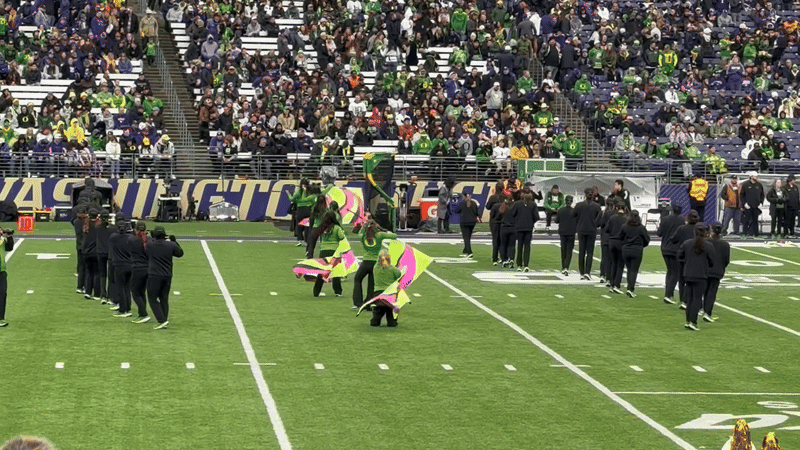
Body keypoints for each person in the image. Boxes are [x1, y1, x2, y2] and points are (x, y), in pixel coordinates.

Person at [352, 219, 396, 310]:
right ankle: (368, 304)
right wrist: (384, 231)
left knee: (357, 280)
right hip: (376, 263)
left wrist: (364, 226)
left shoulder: (363, 236)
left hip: (365, 263)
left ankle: (358, 303)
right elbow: (394, 236)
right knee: (371, 285)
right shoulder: (379, 235)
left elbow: (359, 232)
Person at [677, 224, 715, 331]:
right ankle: (693, 322)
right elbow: (712, 262)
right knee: (697, 299)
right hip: (701, 275)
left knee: (689, 298)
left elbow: (679, 256)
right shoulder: (708, 245)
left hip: (688, 274)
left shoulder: (687, 243)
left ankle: (688, 320)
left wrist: (687, 262)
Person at [146, 226, 184, 330]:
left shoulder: (150, 244)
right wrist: (175, 242)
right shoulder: (170, 245)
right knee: (164, 298)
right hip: (167, 275)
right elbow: (180, 254)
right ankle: (164, 319)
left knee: (152, 298)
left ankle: (161, 320)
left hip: (154, 275)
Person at [670, 210, 701, 310]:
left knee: (682, 279)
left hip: (683, 256)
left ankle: (683, 299)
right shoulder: (699, 229)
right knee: (694, 280)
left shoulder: (681, 228)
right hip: (696, 257)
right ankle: (693, 299)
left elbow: (673, 239)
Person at [618, 210, 650, 297]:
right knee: (634, 270)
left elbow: (620, 237)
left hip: (626, 249)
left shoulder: (624, 226)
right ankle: (630, 288)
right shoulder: (641, 228)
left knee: (629, 269)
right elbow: (647, 239)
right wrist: (641, 245)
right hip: (637, 249)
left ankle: (629, 286)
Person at [657, 204, 685, 304]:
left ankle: (668, 293)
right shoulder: (682, 220)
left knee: (670, 271)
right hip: (676, 249)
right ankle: (669, 294)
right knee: (675, 272)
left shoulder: (665, 219)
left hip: (665, 248)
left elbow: (659, 233)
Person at [313, 212, 345, 297]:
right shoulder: (337, 228)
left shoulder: (323, 227)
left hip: (323, 251)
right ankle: (338, 291)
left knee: (322, 272)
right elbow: (342, 237)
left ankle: (316, 291)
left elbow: (316, 235)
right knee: (336, 272)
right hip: (334, 251)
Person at [573, 188, 602, 280]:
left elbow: (573, 215)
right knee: (590, 252)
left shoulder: (579, 205)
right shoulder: (597, 206)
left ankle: (581, 273)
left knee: (581, 251)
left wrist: (579, 222)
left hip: (581, 230)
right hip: (592, 230)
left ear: (584, 195)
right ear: (592, 195)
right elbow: (599, 219)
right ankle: (587, 272)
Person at [704, 223, 730, 323]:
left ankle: (703, 309)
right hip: (717, 271)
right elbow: (726, 260)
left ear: (711, 230)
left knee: (705, 290)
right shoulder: (725, 244)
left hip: (706, 270)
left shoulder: (706, 242)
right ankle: (708, 312)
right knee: (712, 292)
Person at [370, 249, 403, 327]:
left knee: (377, 314)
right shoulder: (393, 269)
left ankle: (375, 320)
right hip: (390, 296)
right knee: (392, 320)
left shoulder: (375, 268)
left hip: (379, 295)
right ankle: (391, 321)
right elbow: (399, 275)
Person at [109, 218, 135, 318]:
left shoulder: (113, 237)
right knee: (127, 288)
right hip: (130, 264)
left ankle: (123, 309)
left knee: (121, 287)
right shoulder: (130, 238)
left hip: (119, 265)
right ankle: (128, 308)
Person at [510, 189, 540, 271]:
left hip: (519, 227)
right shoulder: (533, 204)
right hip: (529, 228)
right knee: (527, 246)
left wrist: (517, 221)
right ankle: (526, 264)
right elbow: (536, 217)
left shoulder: (517, 203)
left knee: (520, 246)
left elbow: (512, 214)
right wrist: (531, 221)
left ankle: (519, 265)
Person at [129, 221, 151, 323]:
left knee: (135, 292)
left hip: (137, 268)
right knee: (142, 292)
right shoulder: (149, 240)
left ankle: (143, 314)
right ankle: (141, 313)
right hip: (148, 268)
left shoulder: (132, 240)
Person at [604, 200, 627, 294]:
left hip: (612, 241)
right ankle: (617, 284)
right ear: (624, 209)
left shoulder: (612, 218)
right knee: (620, 264)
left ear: (616, 208)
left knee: (613, 263)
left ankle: (611, 283)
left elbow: (606, 229)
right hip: (621, 242)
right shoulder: (626, 219)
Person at [556, 195, 577, 275]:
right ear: (572, 202)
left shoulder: (561, 210)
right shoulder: (574, 211)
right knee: (569, 251)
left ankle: (563, 266)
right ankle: (566, 267)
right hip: (571, 232)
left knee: (563, 250)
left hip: (563, 232)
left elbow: (556, 221)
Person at [597, 197, 616, 284]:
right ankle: (609, 276)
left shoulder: (603, 213)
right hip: (613, 238)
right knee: (612, 259)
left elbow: (598, 223)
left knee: (604, 257)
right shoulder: (615, 214)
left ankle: (602, 275)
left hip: (604, 237)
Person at [290, 178, 314, 246]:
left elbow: (293, 199)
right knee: (307, 226)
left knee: (299, 225)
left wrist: (297, 200)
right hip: (308, 210)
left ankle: (299, 240)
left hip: (300, 210)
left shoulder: (299, 192)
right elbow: (313, 201)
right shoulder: (310, 192)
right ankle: (307, 241)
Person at [485, 183, 505, 265]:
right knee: (503, 240)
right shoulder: (505, 197)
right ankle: (503, 257)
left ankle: (495, 258)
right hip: (503, 220)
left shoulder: (493, 197)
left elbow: (487, 207)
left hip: (494, 221)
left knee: (495, 239)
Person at [740, 171, 765, 238]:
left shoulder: (759, 185)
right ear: (751, 177)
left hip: (756, 206)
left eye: (756, 176)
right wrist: (744, 203)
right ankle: (744, 233)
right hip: (748, 206)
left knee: (755, 221)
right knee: (746, 221)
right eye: (755, 176)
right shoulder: (745, 184)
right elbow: (742, 195)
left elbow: (762, 195)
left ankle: (756, 234)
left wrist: (761, 203)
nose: (756, 177)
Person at [455, 193, 479, 258]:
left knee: (466, 238)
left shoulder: (462, 203)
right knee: (468, 236)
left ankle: (469, 252)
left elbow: (456, 210)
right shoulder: (474, 203)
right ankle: (465, 250)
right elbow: (477, 213)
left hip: (464, 222)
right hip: (472, 222)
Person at [0, 228, 14, 327]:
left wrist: (9, 237)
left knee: (2, 294)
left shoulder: (2, 240)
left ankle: (0, 318)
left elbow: (9, 248)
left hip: (1, 271)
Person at [306, 193, 328, 258]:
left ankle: (309, 256)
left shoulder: (314, 208)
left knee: (312, 245)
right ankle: (323, 257)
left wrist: (310, 229)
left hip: (315, 227)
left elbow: (311, 220)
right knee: (323, 244)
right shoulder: (326, 209)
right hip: (323, 228)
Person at [498, 196, 517, 268]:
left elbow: (500, 212)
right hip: (513, 227)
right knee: (512, 245)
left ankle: (504, 260)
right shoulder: (515, 207)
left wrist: (504, 203)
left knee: (503, 245)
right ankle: (511, 259)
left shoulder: (504, 207)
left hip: (504, 227)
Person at [72, 205, 87, 294]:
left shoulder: (76, 222)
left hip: (79, 245)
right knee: (87, 268)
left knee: (81, 267)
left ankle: (80, 286)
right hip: (86, 246)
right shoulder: (86, 222)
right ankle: (86, 286)